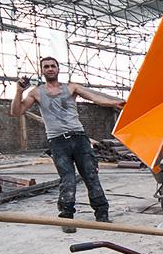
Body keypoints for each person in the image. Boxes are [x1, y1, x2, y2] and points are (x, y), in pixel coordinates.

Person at [9, 56, 124, 232]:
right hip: (57, 141)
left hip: (79, 138)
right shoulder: (35, 92)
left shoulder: (71, 87)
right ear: (42, 70)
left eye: (52, 66)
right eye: (46, 67)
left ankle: (102, 215)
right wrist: (19, 91)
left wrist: (116, 102)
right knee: (67, 180)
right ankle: (67, 218)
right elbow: (16, 112)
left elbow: (95, 98)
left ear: (58, 69)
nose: (49, 69)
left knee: (91, 176)